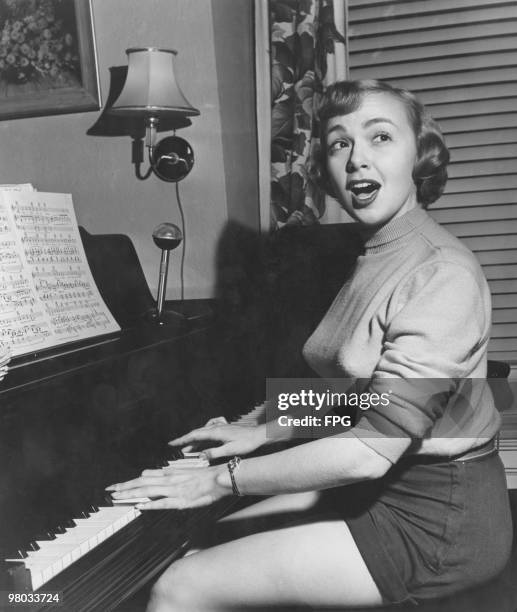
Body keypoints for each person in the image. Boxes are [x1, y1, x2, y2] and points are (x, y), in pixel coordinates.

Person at [106, 80, 513, 611]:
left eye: (381, 137)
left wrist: (221, 481)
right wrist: (262, 427)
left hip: (437, 520)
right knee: (207, 538)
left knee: (178, 586)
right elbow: (369, 394)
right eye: (340, 143)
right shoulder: (378, 252)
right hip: (392, 487)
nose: (356, 160)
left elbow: (371, 447)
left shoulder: (441, 273)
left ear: (421, 155)